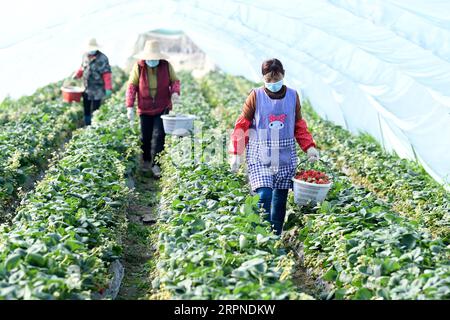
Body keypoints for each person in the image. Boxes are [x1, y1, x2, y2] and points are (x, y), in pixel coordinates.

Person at [229, 58, 319, 235]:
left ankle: (276, 234)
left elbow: (298, 125)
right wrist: (237, 153)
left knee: (280, 199)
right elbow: (242, 125)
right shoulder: (255, 96)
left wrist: (309, 147)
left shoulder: (293, 96)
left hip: (285, 156)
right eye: (269, 80)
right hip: (260, 154)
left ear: (283, 75)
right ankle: (263, 232)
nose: (273, 83)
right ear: (263, 78)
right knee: (264, 195)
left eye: (276, 79)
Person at [125, 40, 181, 178]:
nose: (152, 61)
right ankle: (145, 161)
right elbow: (132, 86)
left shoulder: (166, 66)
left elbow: (175, 81)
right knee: (146, 136)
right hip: (145, 108)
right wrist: (130, 106)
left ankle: (156, 165)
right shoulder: (139, 67)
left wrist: (175, 93)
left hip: (163, 107)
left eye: (155, 58)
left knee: (159, 136)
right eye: (150, 58)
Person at [73, 38, 112, 126]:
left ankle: (95, 124)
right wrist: (77, 74)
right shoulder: (85, 56)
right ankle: (87, 123)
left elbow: (107, 74)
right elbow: (82, 67)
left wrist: (108, 88)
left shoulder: (103, 58)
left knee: (96, 108)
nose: (91, 50)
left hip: (97, 88)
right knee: (86, 106)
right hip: (86, 87)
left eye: (93, 48)